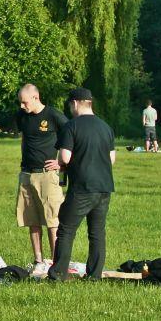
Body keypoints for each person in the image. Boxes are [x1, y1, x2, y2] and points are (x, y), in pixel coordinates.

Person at [48, 88, 116, 282]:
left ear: (75, 103)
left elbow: (65, 157)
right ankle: (94, 274)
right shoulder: (106, 127)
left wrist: (62, 164)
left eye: (70, 105)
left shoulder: (71, 126)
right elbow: (112, 159)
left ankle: (58, 273)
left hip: (82, 187)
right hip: (104, 186)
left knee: (66, 229)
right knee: (97, 232)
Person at [15, 83, 68, 271]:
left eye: (24, 102)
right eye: (20, 103)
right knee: (32, 219)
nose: (22, 106)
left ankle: (55, 263)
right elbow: (24, 139)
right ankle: (38, 261)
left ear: (36, 97)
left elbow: (71, 136)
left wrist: (61, 163)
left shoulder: (53, 115)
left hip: (47, 175)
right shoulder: (22, 115)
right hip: (26, 174)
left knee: (52, 221)